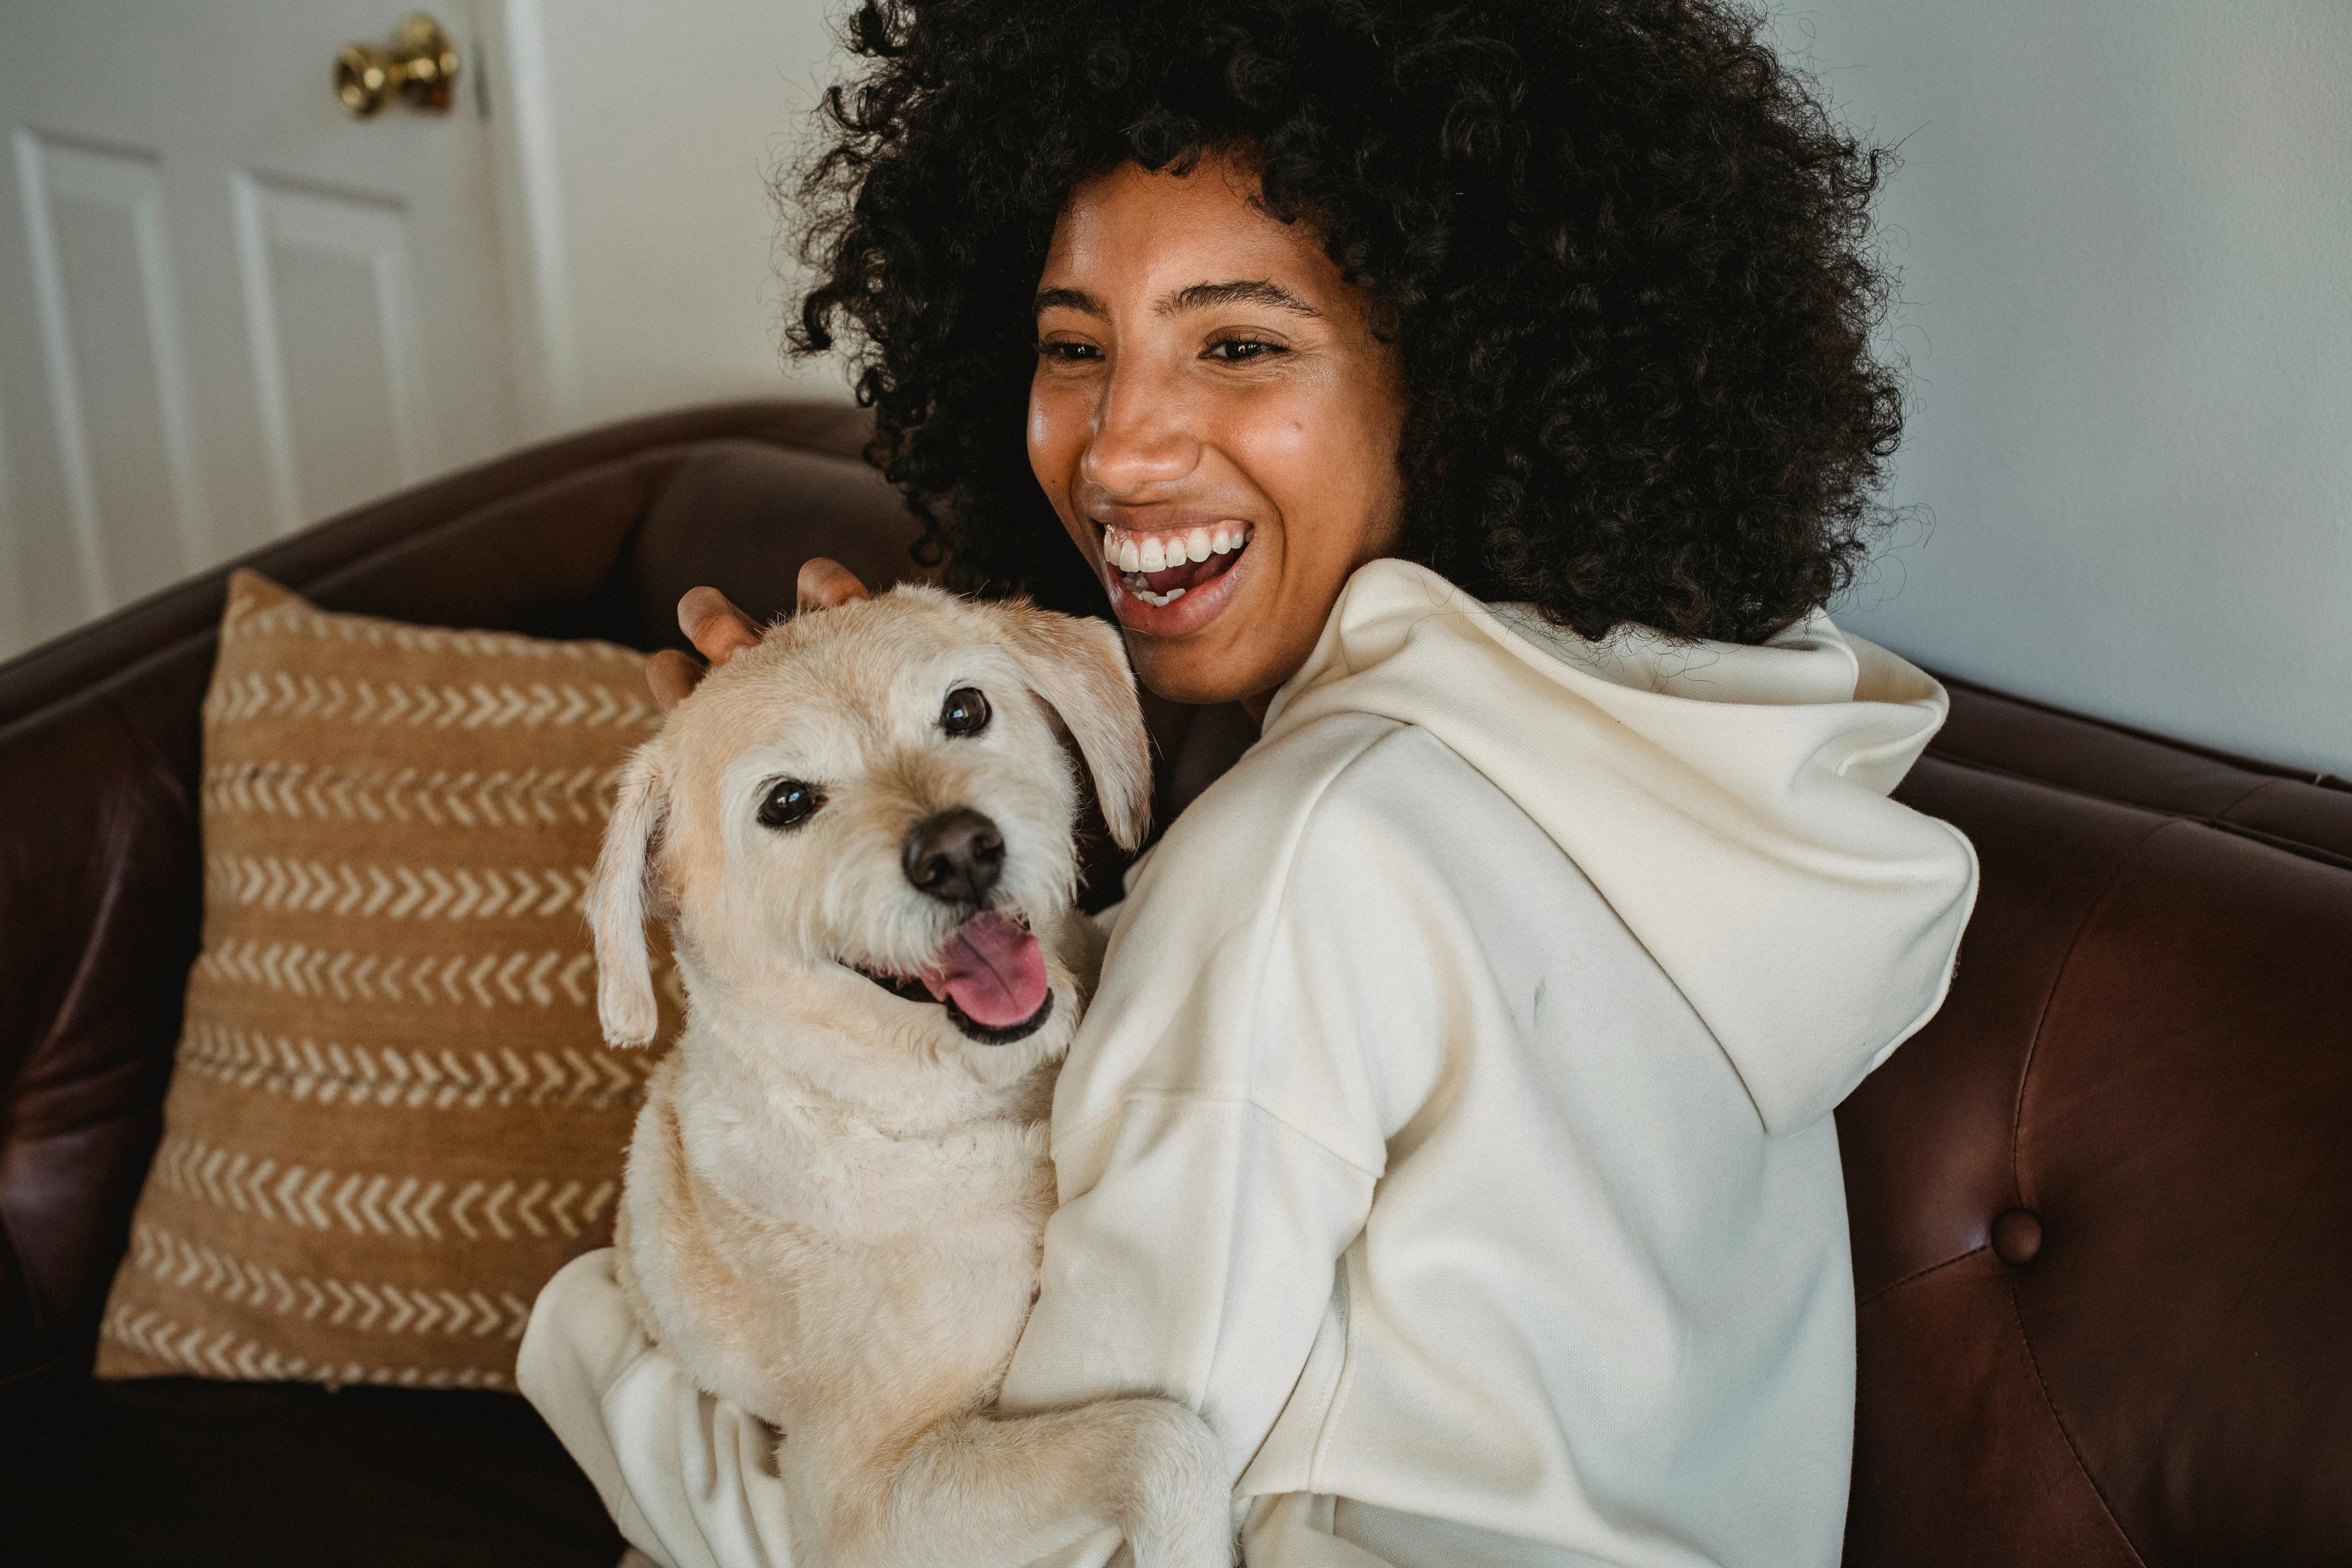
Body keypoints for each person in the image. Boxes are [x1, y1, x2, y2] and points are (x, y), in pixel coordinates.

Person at [518, 2, 1979, 1564]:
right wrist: (888, 767)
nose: (1122, 448)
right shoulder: (1673, 771)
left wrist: (594, 1354)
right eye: (1074, 347)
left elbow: (1056, 1545)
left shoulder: (1307, 857)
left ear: (1466, 366)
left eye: (1238, 344)